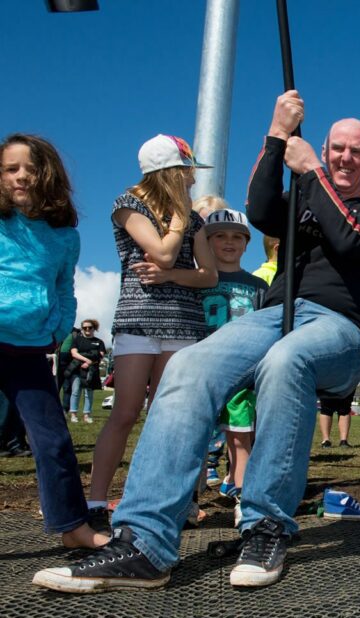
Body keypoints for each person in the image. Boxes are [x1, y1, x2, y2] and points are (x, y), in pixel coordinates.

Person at [33, 90, 360, 592]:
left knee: (286, 361)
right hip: (278, 314)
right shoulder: (306, 203)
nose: (344, 157)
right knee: (189, 365)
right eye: (335, 148)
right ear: (324, 148)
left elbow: (351, 237)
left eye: (355, 151)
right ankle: (144, 543)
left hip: (341, 329)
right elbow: (259, 209)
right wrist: (277, 138)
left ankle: (265, 525)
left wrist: (313, 173)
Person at [86, 134, 218, 530]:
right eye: (189, 171)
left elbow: (208, 276)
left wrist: (170, 274)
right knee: (125, 412)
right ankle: (95, 503)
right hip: (138, 321)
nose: (194, 179)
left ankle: (159, 502)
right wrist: (179, 220)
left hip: (182, 324)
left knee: (165, 418)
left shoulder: (195, 219)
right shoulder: (128, 205)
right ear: (172, 172)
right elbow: (160, 250)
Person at [0, 133, 106, 550]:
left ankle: (73, 528)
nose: (21, 176)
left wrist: (58, 328)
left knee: (53, 440)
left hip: (28, 349)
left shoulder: (64, 236)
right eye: (11, 169)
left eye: (30, 168)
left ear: (48, 175)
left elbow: (64, 288)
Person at [197, 208, 269, 503]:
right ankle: (187, 501)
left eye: (237, 236)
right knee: (195, 438)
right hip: (202, 371)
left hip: (241, 374)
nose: (229, 242)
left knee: (241, 437)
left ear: (247, 243)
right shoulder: (197, 281)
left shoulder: (258, 287)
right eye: (220, 236)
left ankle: (245, 498)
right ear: (207, 241)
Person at [67, 318, 106, 424]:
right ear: (82, 328)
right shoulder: (77, 340)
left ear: (94, 328)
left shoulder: (99, 342)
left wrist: (89, 363)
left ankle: (86, 414)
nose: (87, 329)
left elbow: (100, 356)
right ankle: (73, 414)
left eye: (90, 327)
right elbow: (74, 353)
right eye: (84, 328)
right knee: (75, 391)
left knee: (89, 393)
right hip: (77, 369)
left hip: (91, 371)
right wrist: (86, 359)